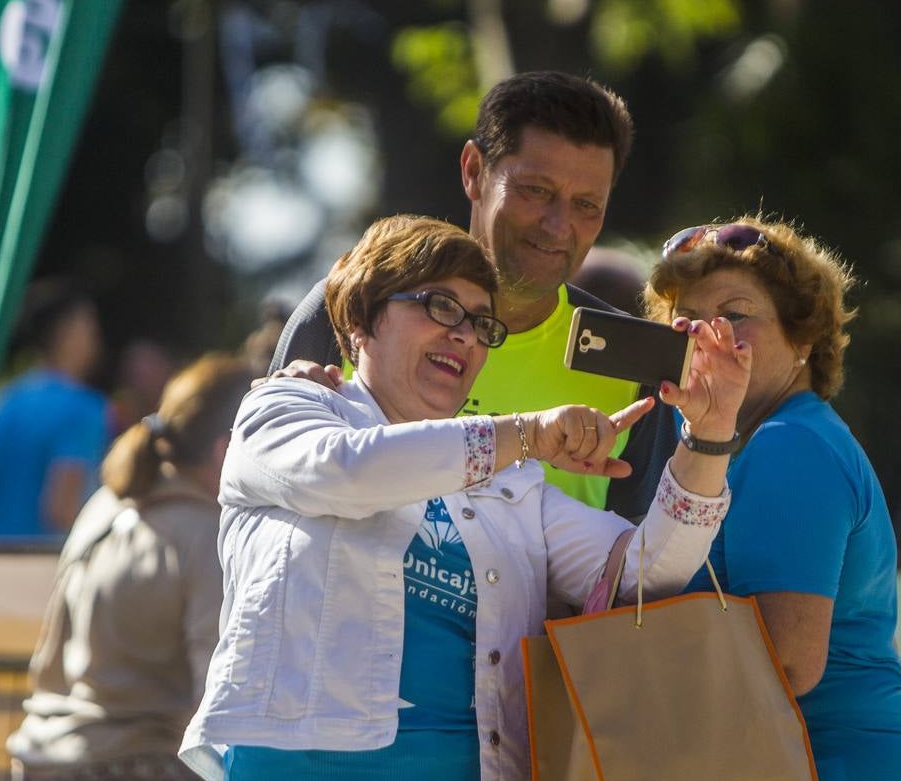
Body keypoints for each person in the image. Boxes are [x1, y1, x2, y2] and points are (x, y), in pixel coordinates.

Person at [180, 214, 750, 781]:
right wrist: (529, 432)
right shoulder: (285, 408)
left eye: (481, 323)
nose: (466, 336)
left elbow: (645, 570)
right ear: (359, 322)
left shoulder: (511, 478)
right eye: (440, 306)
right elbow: (347, 472)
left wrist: (709, 436)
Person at [644, 215, 901, 781]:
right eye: (688, 321)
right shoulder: (771, 439)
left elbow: (787, 662)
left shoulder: (788, 443)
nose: (709, 336)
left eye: (735, 314)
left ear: (803, 338)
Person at [270, 71, 675, 520]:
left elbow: (641, 562)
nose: (559, 226)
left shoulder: (633, 359)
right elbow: (266, 501)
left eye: (586, 205)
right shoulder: (348, 308)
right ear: (474, 172)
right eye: (536, 191)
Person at [8, 354, 255, 781]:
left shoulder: (107, 501)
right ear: (226, 450)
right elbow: (219, 703)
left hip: (42, 767)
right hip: (131, 778)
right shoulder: (205, 535)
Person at [0, 279, 109, 536]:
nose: (97, 336)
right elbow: (62, 510)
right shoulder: (84, 408)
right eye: (89, 326)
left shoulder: (1, 401)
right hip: (48, 566)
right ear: (66, 334)